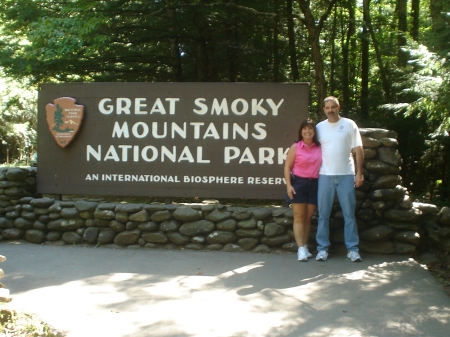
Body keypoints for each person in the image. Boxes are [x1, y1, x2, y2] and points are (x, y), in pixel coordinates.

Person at [315, 96, 364, 262]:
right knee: (323, 214)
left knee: (349, 213)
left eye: (333, 107)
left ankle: (352, 249)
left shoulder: (349, 124)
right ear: (323, 110)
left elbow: (358, 149)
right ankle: (322, 249)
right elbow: (312, 151)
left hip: (346, 174)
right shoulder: (319, 127)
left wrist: (359, 173)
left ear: (338, 107)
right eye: (327, 107)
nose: (330, 110)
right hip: (324, 175)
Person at [284, 119, 322, 261]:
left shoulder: (319, 147)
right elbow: (287, 167)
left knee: (308, 218)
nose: (307, 131)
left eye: (310, 129)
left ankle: (305, 247)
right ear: (301, 132)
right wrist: (289, 185)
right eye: (304, 129)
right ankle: (300, 250)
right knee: (299, 217)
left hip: (315, 184)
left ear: (314, 131)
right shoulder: (296, 147)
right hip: (298, 183)